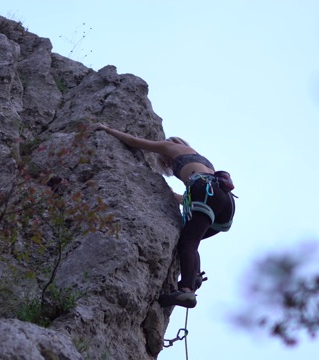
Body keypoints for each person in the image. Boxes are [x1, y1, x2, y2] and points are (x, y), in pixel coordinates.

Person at [93, 123, 236, 308]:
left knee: (189, 243)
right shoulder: (204, 163)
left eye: (164, 161)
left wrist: (107, 129)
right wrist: (168, 193)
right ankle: (195, 276)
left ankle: (186, 291)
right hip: (225, 204)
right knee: (190, 239)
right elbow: (188, 198)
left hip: (206, 193)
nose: (167, 163)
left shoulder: (171, 146)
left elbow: (134, 141)